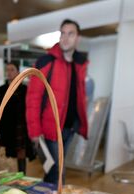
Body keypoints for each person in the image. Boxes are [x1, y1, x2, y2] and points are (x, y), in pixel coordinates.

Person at [26, 19, 89, 185]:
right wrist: (34, 131)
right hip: (50, 129)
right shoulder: (46, 62)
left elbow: (79, 95)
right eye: (63, 33)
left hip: (69, 128)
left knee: (54, 170)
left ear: (78, 38)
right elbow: (33, 98)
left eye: (71, 33)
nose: (66, 38)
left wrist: (80, 123)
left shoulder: (80, 64)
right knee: (57, 172)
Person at [0, 62, 34, 174]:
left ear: (18, 72)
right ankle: (7, 180)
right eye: (7, 70)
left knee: (21, 157)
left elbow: (30, 109)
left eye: (12, 70)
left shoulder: (25, 90)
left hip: (21, 130)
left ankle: (22, 178)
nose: (9, 72)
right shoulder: (1, 90)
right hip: (6, 129)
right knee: (6, 157)